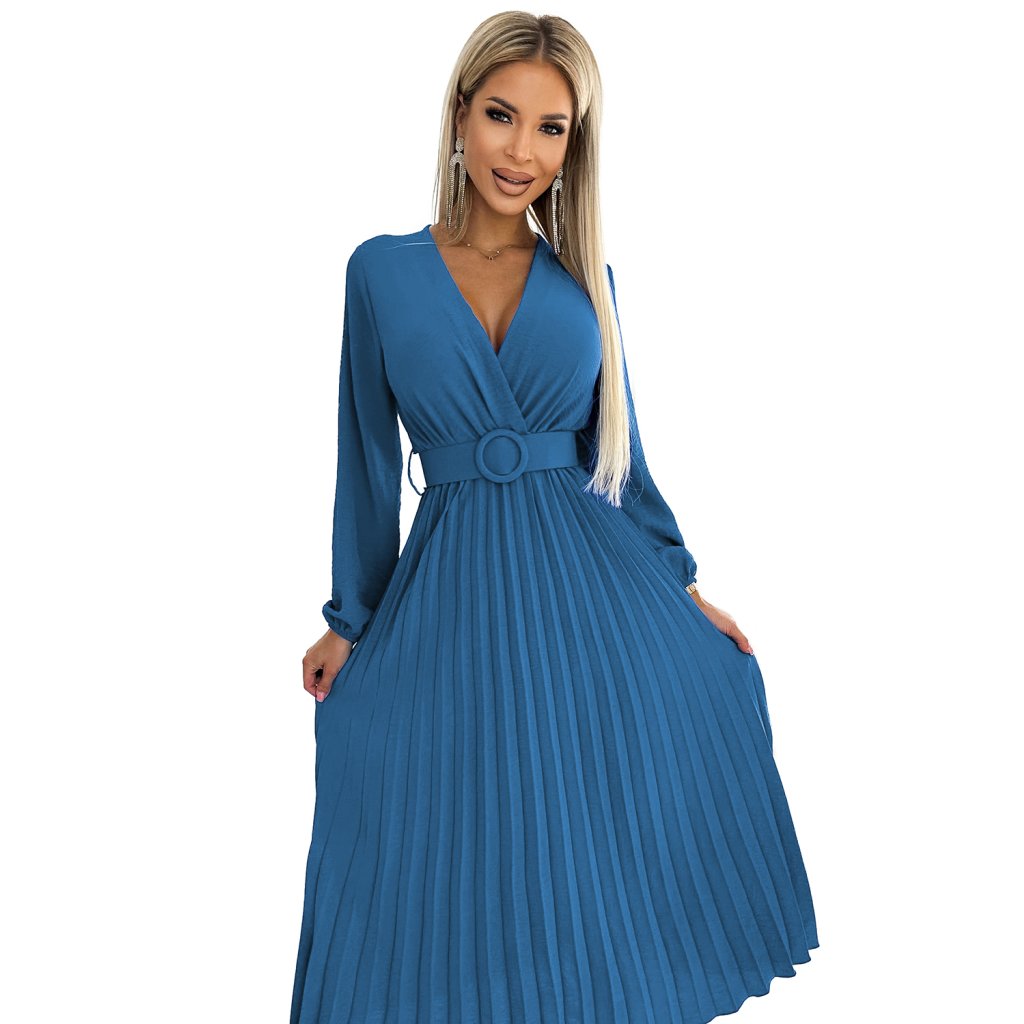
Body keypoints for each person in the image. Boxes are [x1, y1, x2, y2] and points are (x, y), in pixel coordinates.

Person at [292, 12, 818, 1023]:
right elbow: (364, 463)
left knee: (581, 824)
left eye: (551, 128)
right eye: (501, 115)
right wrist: (348, 620)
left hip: (586, 585)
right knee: (441, 815)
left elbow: (621, 461)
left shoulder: (589, 283)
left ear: (575, 146)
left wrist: (683, 591)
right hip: (452, 586)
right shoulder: (379, 271)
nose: (521, 151)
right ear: (459, 114)